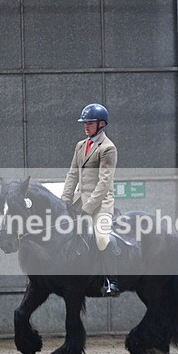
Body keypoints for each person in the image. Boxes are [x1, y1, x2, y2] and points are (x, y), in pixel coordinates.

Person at [61, 103, 120, 297]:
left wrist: (88, 207)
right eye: (84, 123)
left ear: (101, 124)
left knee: (102, 238)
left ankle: (111, 280)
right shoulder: (80, 146)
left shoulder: (108, 148)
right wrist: (65, 200)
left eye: (90, 123)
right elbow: (72, 175)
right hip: (80, 200)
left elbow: (104, 183)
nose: (86, 126)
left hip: (101, 203)